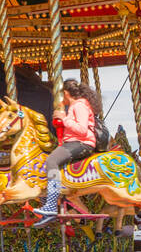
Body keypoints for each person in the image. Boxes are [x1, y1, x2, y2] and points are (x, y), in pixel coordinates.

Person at [32, 79, 99, 226]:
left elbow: (81, 130)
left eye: (60, 95)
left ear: (66, 93)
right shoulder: (75, 106)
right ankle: (50, 205)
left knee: (51, 161)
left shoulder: (79, 105)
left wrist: (65, 118)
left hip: (82, 143)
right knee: (46, 164)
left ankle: (50, 205)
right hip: (74, 142)